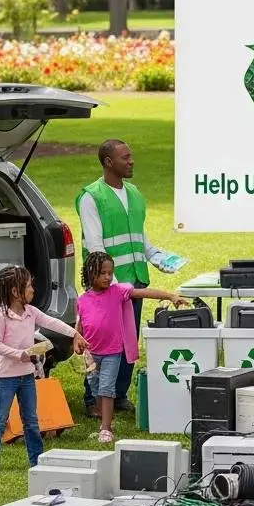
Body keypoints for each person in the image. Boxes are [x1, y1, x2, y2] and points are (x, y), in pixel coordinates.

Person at [76, 139, 186, 417]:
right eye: (125, 158)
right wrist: (109, 284)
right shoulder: (91, 197)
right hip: (106, 287)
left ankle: (118, 394)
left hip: (133, 280)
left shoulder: (135, 194)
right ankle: (93, 399)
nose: (131, 161)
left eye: (131, 156)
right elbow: (95, 243)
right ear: (108, 162)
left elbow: (139, 237)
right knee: (101, 343)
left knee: (128, 341)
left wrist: (158, 258)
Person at [0, 266, 88, 472]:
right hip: (6, 377)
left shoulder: (31, 312)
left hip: (26, 376)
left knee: (30, 419)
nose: (32, 290)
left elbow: (51, 322)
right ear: (15, 292)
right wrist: (19, 354)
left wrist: (75, 334)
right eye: (28, 286)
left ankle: (36, 459)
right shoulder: (1, 315)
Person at [76, 251, 187, 444]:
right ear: (90, 273)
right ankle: (105, 422)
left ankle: (106, 429)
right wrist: (76, 340)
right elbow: (81, 324)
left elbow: (144, 292)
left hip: (112, 352)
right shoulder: (82, 300)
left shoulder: (118, 292)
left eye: (110, 273)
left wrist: (170, 296)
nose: (108, 277)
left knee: (107, 388)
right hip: (91, 354)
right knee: (96, 390)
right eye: (103, 273)